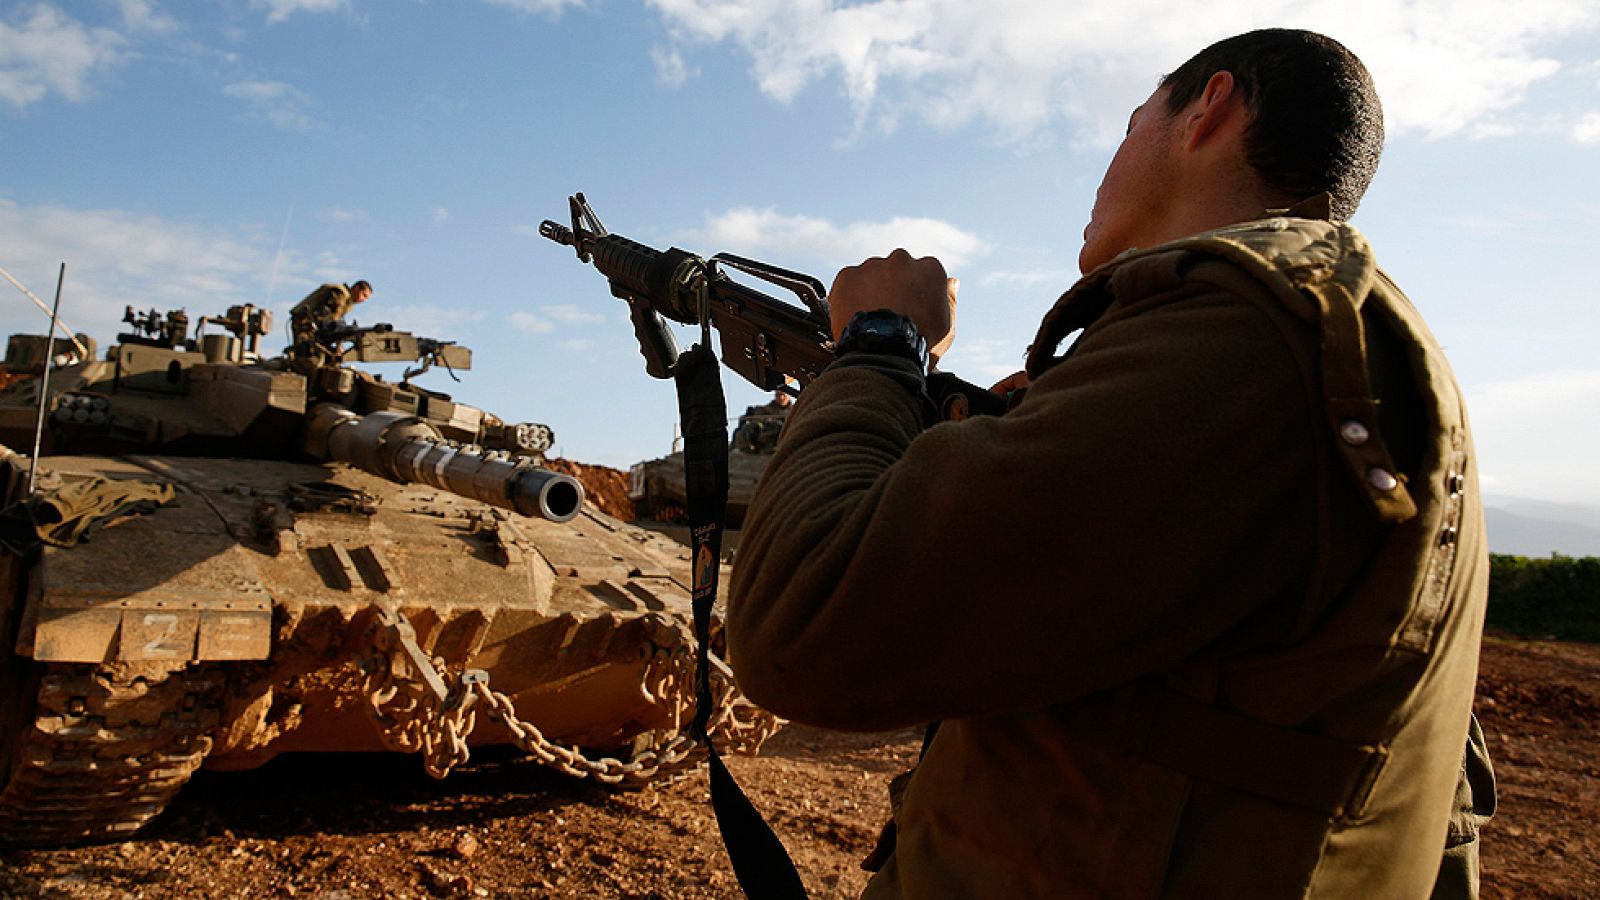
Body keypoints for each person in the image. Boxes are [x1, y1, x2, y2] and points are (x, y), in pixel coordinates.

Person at [728, 29, 1493, 899]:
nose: (1107, 165)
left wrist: (879, 346)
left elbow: (804, 630)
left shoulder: (1247, 341)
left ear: (1211, 108)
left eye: (1131, 124)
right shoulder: (1337, 347)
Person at [289, 279, 372, 353]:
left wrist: (339, 342)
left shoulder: (347, 300)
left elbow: (334, 320)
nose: (363, 300)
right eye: (364, 295)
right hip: (304, 322)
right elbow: (329, 318)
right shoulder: (340, 294)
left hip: (313, 324)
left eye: (366, 298)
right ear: (357, 288)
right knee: (306, 354)